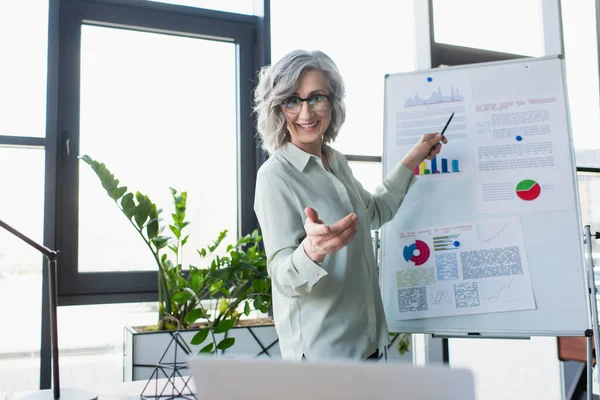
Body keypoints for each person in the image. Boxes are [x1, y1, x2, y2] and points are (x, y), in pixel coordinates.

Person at [253, 49, 447, 361]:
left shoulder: (335, 161)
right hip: (323, 357)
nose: (306, 113)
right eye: (292, 101)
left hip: (365, 343)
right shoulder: (275, 176)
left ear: (332, 102)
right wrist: (311, 252)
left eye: (316, 97)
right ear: (278, 109)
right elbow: (281, 276)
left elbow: (374, 212)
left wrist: (414, 158)